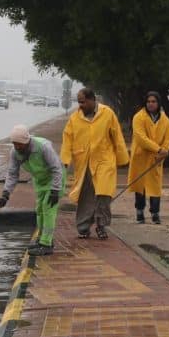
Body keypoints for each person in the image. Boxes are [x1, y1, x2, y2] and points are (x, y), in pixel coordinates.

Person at [61, 88, 129, 240]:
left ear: (92, 100)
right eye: (79, 102)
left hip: (104, 160)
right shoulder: (74, 118)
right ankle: (83, 227)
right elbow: (67, 140)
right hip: (83, 162)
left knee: (103, 194)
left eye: (83, 102)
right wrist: (65, 161)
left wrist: (122, 158)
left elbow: (117, 136)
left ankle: (101, 225)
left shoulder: (107, 114)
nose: (80, 105)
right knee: (86, 195)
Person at [0, 124, 64, 256]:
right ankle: (41, 239)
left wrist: (55, 190)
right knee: (39, 209)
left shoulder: (43, 147)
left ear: (27, 141)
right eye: (15, 144)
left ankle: (46, 244)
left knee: (48, 207)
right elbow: (12, 174)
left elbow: (57, 168)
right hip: (40, 180)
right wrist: (5, 194)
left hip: (54, 178)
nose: (17, 147)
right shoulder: (15, 153)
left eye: (20, 144)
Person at [128, 91, 169, 224]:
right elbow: (141, 138)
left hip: (156, 158)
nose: (151, 104)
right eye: (148, 102)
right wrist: (158, 149)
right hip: (141, 156)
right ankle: (139, 212)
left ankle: (155, 213)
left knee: (155, 186)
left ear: (158, 103)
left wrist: (164, 151)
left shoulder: (165, 119)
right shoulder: (138, 117)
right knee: (140, 185)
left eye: (153, 101)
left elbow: (168, 136)